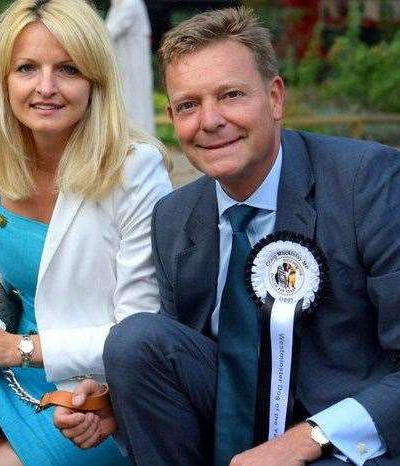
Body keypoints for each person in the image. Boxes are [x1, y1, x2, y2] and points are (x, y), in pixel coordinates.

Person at [55, 7, 400, 466]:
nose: (210, 120)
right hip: (234, 431)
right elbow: (186, 360)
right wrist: (115, 402)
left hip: (343, 438)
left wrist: (305, 439)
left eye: (231, 95)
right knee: (136, 341)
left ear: (275, 98)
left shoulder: (368, 183)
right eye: (188, 105)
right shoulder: (175, 218)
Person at [0, 0, 172, 464]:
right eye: (27, 68)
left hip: (94, 389)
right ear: (3, 78)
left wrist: (16, 348)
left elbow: (137, 333)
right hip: (3, 362)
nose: (45, 88)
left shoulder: (136, 171)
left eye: (67, 69)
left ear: (95, 80)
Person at [105, 0, 156, 135]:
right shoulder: (117, 6)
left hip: (133, 67)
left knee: (135, 104)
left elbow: (108, 32)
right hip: (121, 67)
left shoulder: (130, 4)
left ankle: (140, 137)